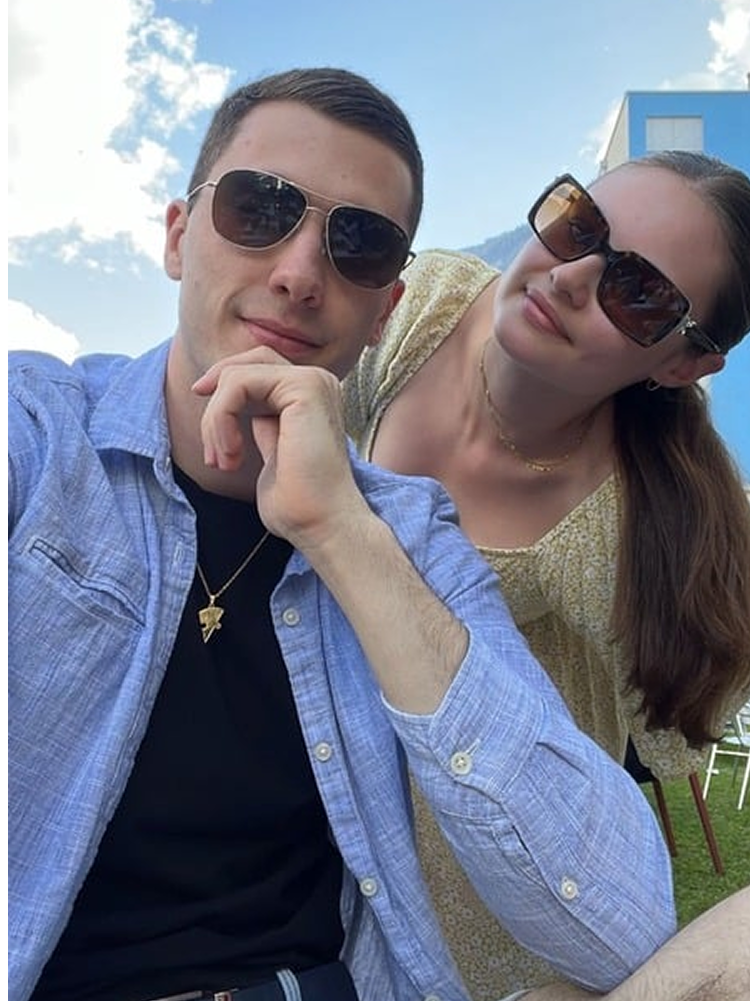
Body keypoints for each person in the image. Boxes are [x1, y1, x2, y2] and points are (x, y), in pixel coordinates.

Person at [7, 67, 681, 1001]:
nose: (297, 271)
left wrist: (339, 533)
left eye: (358, 246)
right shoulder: (39, 434)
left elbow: (626, 923)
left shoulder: (404, 532)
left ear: (386, 311)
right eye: (257, 208)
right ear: (176, 236)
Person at [343, 151, 750, 999]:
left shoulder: (632, 527)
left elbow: (693, 703)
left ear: (680, 363)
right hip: (333, 752)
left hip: (468, 847)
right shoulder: (428, 304)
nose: (570, 277)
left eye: (638, 293)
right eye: (579, 226)